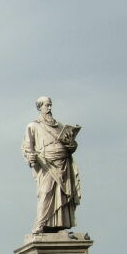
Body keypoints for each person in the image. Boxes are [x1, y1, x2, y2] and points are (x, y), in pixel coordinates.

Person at [21, 96, 81, 234]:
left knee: (61, 194)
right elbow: (26, 147)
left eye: (50, 105)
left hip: (63, 164)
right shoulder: (33, 126)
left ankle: (60, 225)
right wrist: (30, 157)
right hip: (46, 164)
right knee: (46, 192)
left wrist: (71, 143)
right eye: (46, 106)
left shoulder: (59, 126)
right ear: (39, 107)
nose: (49, 108)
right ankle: (41, 224)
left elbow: (70, 147)